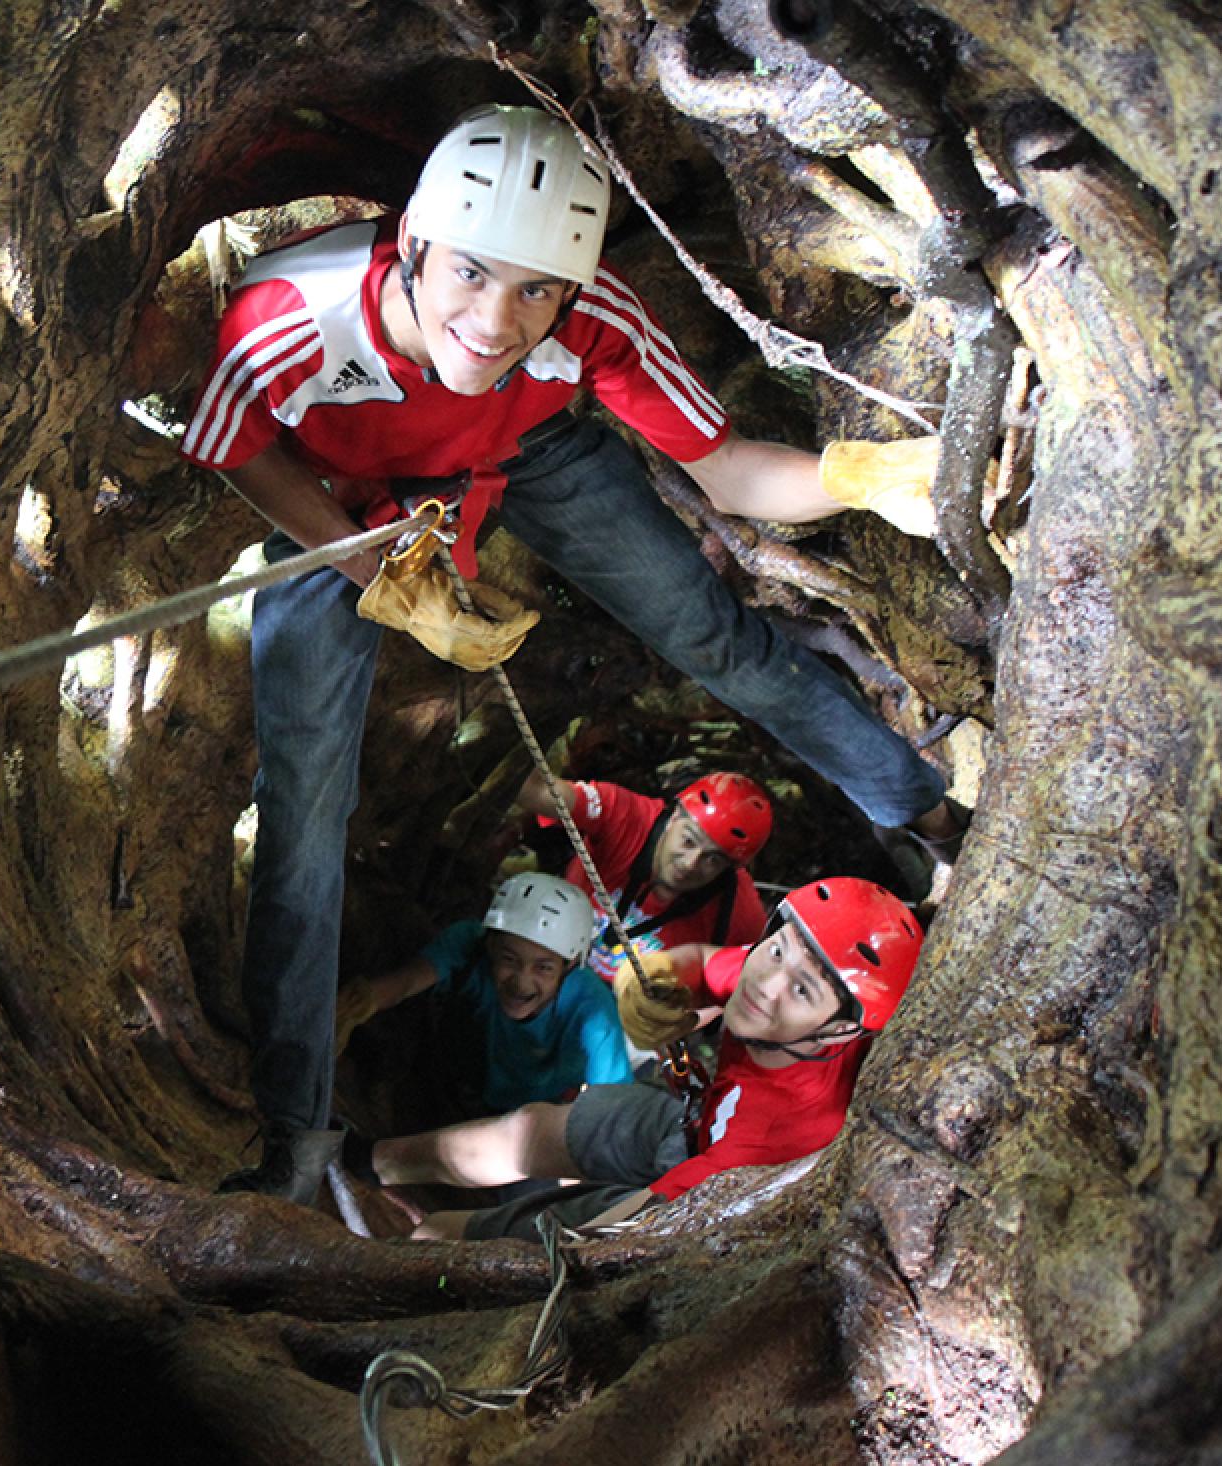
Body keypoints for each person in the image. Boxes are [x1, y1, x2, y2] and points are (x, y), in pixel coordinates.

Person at [184, 103, 969, 1205]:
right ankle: (297, 1133)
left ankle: (927, 816)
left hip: (528, 443)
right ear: (410, 240)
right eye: (468, 271)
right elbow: (236, 446)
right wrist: (375, 569)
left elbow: (732, 468)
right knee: (306, 800)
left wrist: (866, 474)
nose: (497, 317)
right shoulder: (286, 319)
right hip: (349, 505)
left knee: (711, 634)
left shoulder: (592, 311)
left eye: (535, 289)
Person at [366, 877, 922, 1239]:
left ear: (842, 1030)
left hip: (709, 1190)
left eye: (802, 991)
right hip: (698, 1119)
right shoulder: (769, 978)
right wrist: (651, 981)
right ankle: (370, 1160)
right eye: (776, 950)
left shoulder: (778, 1129)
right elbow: (705, 965)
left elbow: (641, 1225)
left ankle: (420, 1249)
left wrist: (564, 1246)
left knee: (501, 1234)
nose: (765, 984)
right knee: (532, 1130)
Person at [333, 872, 632, 1120]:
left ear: (568, 968)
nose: (521, 983)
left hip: (535, 1111)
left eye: (544, 968)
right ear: (489, 945)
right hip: (457, 1080)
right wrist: (357, 1004)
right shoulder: (468, 944)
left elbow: (612, 1103)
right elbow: (408, 981)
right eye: (509, 960)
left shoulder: (593, 1009)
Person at [520, 768, 771, 986]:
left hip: (626, 1019)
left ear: (731, 868)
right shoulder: (626, 815)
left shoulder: (737, 910)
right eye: (688, 841)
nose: (690, 862)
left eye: (713, 860)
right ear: (674, 816)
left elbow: (758, 986)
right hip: (548, 968)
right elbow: (536, 790)